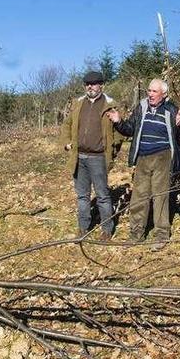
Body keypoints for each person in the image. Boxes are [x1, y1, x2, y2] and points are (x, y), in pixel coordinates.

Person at [107, 79, 180, 250]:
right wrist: (118, 122)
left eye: (154, 91)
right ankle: (136, 234)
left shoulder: (171, 109)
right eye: (149, 90)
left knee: (160, 195)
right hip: (143, 157)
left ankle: (161, 235)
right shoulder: (141, 106)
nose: (150, 94)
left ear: (164, 94)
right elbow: (130, 129)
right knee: (139, 195)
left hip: (163, 156)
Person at [59, 71, 121, 240]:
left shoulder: (110, 104)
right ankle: (83, 227)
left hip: (99, 158)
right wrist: (66, 142)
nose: (90, 87)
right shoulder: (78, 103)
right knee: (82, 196)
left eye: (93, 84)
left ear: (102, 85)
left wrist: (112, 149)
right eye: (87, 84)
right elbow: (67, 124)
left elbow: (119, 132)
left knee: (102, 195)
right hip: (79, 157)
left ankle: (107, 229)